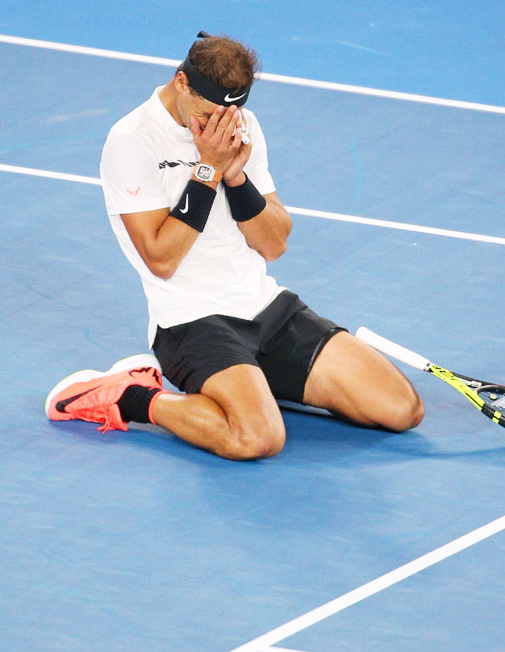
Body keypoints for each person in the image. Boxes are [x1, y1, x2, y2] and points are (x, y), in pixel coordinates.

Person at [45, 33, 423, 460]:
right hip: (190, 322)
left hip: (264, 307)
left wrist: (237, 179)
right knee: (257, 438)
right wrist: (208, 169)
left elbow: (274, 243)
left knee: (402, 408)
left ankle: (258, 382)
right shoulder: (132, 139)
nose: (219, 127)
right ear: (182, 83)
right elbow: (161, 259)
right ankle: (127, 396)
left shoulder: (241, 127)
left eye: (232, 114)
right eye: (209, 114)